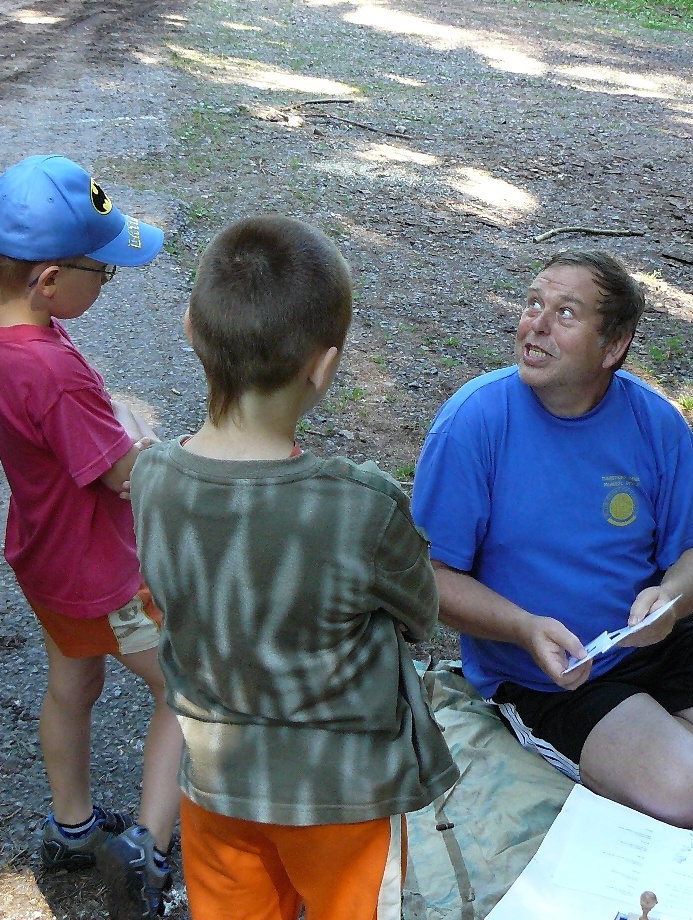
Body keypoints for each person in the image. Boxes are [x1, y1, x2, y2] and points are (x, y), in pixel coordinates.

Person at [413, 248, 693, 829]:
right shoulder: (473, 423)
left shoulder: (655, 421)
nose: (536, 324)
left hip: (659, 643)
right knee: (687, 794)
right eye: (533, 303)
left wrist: (672, 602)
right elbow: (430, 578)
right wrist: (523, 628)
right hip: (551, 674)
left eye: (565, 312)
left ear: (613, 347)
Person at [130, 216, 459, 920]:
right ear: (325, 366)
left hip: (215, 784)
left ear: (190, 329)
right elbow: (420, 613)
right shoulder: (362, 506)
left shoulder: (151, 478)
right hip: (344, 797)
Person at [0, 155, 183, 920]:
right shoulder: (52, 372)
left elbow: (70, 431)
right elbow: (124, 475)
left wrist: (109, 415)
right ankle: (148, 856)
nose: (108, 281)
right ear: (50, 279)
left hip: (47, 560)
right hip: (103, 577)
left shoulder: (8, 336)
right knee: (184, 689)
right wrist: (159, 444)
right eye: (104, 271)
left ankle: (72, 828)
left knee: (74, 685)